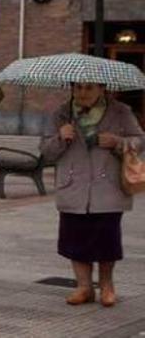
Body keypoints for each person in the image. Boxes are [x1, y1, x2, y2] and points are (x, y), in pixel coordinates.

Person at [39, 82, 143, 307]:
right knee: (75, 240)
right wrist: (60, 137)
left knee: (107, 242)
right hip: (74, 186)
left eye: (88, 88)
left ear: (101, 88)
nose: (82, 93)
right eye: (78, 88)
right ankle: (84, 287)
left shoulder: (120, 111)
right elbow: (46, 152)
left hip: (108, 188)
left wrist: (118, 142)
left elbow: (140, 140)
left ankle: (107, 286)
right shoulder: (62, 113)